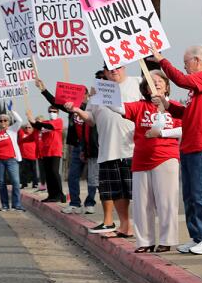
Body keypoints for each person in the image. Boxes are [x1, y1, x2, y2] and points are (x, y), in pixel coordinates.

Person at [154, 44, 202, 255]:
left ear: (197, 61)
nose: (184, 68)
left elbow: (180, 80)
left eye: (186, 63)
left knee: (201, 193)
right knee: (191, 194)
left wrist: (161, 61)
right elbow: (187, 113)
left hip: (201, 142)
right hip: (190, 142)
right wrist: (168, 104)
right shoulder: (198, 86)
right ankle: (199, 236)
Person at [71, 65, 142, 237]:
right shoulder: (99, 90)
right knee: (117, 192)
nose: (114, 70)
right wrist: (78, 111)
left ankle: (142, 229)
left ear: (124, 66)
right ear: (104, 71)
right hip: (108, 149)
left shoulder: (137, 83)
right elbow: (91, 120)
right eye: (109, 68)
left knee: (137, 193)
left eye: (117, 66)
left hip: (133, 148)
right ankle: (125, 226)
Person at [116, 71, 183, 253]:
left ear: (167, 85)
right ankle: (144, 241)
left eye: (159, 81)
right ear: (145, 88)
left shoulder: (175, 107)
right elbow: (119, 108)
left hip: (166, 158)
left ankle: (166, 240)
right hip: (141, 161)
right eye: (151, 82)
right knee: (142, 203)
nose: (156, 84)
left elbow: (185, 129)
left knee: (166, 202)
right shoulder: (139, 106)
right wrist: (106, 93)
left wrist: (162, 133)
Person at [36, 78, 100, 214]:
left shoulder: (92, 108)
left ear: (87, 95)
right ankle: (75, 203)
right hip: (77, 146)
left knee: (92, 177)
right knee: (73, 175)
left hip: (91, 146)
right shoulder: (71, 109)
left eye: (83, 93)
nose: (80, 97)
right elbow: (55, 102)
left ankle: (90, 202)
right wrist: (43, 90)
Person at [0, 107, 26, 211]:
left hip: (11, 160)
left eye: (5, 120)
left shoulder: (12, 130)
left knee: (15, 182)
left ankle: (16, 205)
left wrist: (12, 111)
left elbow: (20, 121)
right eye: (1, 120)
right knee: (2, 183)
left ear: (9, 122)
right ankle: (5, 205)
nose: (3, 122)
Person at [36, 105, 65, 202]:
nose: (52, 113)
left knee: (54, 171)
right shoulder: (45, 122)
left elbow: (49, 126)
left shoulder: (59, 121)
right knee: (48, 174)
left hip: (55, 151)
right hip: (45, 152)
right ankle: (51, 195)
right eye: (50, 111)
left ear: (58, 112)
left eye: (54, 111)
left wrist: (38, 123)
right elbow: (37, 126)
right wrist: (31, 119)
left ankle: (60, 194)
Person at [17, 116, 39, 190]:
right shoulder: (22, 134)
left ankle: (35, 184)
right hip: (24, 156)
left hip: (33, 156)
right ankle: (24, 184)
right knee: (23, 171)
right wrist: (12, 112)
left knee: (33, 171)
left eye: (29, 127)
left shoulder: (34, 135)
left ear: (32, 128)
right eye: (26, 127)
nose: (27, 129)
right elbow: (18, 123)